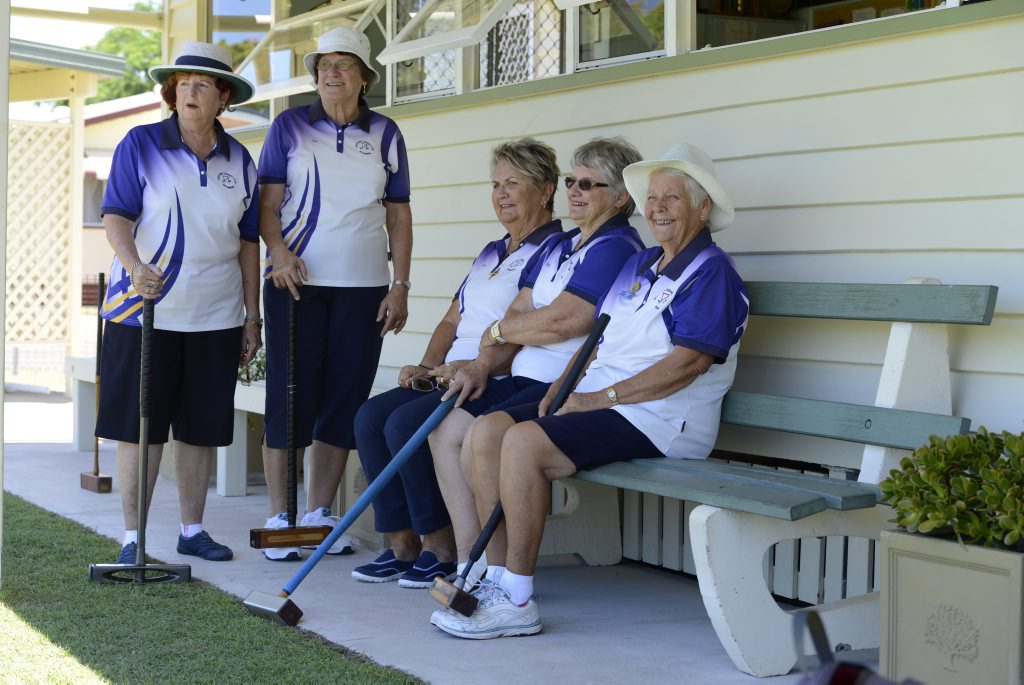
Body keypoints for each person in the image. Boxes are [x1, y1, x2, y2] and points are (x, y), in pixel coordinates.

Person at [430, 142, 750, 639]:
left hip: (663, 418)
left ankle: (518, 598)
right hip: (611, 403)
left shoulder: (712, 272)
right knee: (489, 430)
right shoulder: (642, 264)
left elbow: (687, 365)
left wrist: (600, 399)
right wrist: (564, 386)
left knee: (523, 442)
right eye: (654, 198)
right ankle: (492, 580)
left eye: (673, 198)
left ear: (703, 206)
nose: (659, 208)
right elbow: (598, 343)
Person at [429, 137, 646, 586]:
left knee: (479, 434)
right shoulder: (561, 244)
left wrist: (499, 333)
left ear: (622, 196)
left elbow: (568, 319)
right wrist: (505, 332)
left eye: (590, 183)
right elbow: (520, 310)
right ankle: (483, 563)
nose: (576, 191)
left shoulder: (617, 245)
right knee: (449, 429)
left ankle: (495, 569)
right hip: (523, 372)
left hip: (559, 381)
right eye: (572, 180)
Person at [351, 138, 565, 587]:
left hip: (491, 376)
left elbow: (518, 329)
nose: (501, 194)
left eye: (514, 184)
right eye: (495, 185)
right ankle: (402, 545)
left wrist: (475, 364)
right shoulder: (491, 250)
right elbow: (453, 318)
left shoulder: (554, 251)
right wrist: (427, 366)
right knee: (371, 416)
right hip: (449, 373)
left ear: (545, 190)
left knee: (404, 424)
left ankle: (440, 547)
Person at [97, 42, 260, 564]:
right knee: (138, 427)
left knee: (200, 428)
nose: (191, 90)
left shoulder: (241, 159)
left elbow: (247, 244)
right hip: (142, 313)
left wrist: (250, 318)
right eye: (183, 81)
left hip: (215, 316)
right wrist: (134, 266)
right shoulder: (140, 143)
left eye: (204, 83)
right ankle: (132, 539)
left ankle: (192, 530)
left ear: (222, 97)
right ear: (172, 91)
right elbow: (117, 216)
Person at [256, 26, 413, 561]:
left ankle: (319, 515)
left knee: (344, 400)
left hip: (365, 289)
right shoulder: (288, 126)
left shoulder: (387, 133)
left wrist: (401, 284)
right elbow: (268, 207)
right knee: (289, 396)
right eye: (323, 64)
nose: (331, 72)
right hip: (295, 285)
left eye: (344, 64)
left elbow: (398, 213)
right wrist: (277, 254)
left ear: (364, 77)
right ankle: (282, 518)